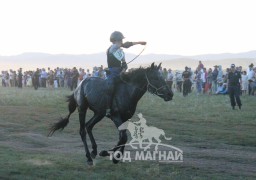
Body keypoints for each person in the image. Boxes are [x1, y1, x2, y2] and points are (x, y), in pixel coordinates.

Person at [105, 31, 146, 117]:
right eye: (120, 39)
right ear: (116, 39)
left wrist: (124, 67)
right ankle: (108, 108)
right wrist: (139, 42)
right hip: (112, 73)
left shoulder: (120, 51)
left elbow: (123, 63)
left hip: (120, 72)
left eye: (121, 40)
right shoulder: (113, 48)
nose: (122, 41)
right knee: (111, 86)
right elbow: (126, 45)